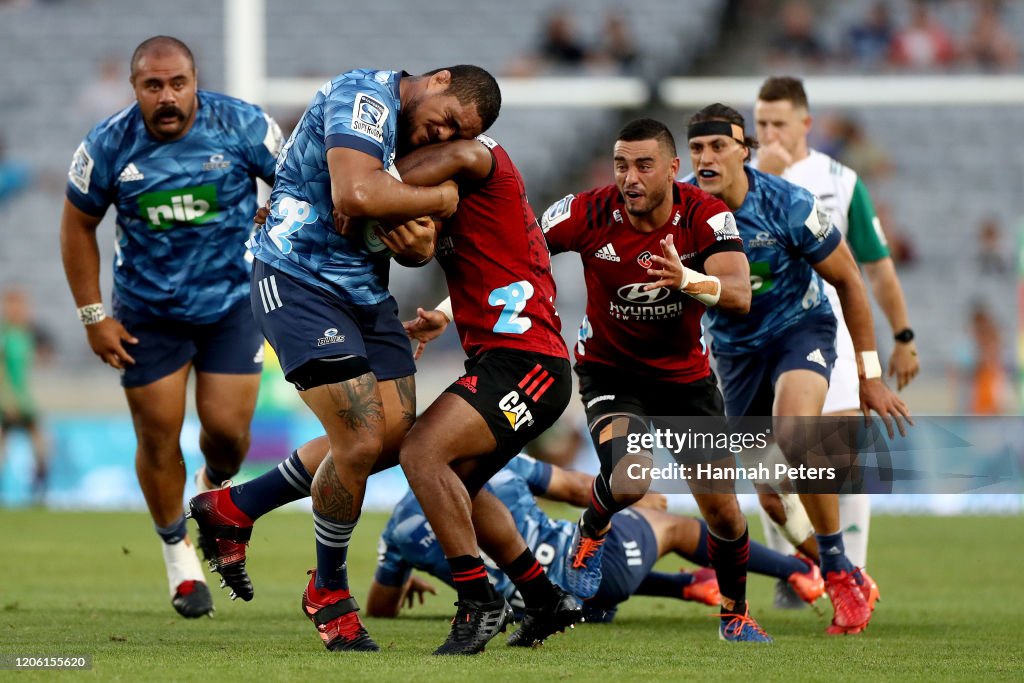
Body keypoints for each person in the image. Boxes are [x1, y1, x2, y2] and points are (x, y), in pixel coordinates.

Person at [189, 64, 507, 653]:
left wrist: (417, 239)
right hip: (297, 279)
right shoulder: (365, 95)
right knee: (359, 441)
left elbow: (405, 242)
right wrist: (439, 197)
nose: (442, 139)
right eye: (447, 123)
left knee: (395, 439)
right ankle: (328, 591)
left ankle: (235, 505)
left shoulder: (405, 142)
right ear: (435, 80)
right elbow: (356, 193)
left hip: (364, 294)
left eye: (456, 138)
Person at [59, 36, 283, 619]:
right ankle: (178, 559)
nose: (166, 96)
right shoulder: (107, 144)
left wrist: (273, 216)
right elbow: (77, 226)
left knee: (229, 437)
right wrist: (93, 317)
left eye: (177, 83)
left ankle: (210, 485)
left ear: (194, 79)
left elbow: (296, 187)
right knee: (158, 436)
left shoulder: (243, 125)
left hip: (232, 304)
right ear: (134, 87)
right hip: (147, 316)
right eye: (153, 85)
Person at [539, 118, 772, 643]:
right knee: (630, 479)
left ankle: (734, 614)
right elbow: (513, 258)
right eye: (622, 165)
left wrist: (688, 279)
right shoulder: (586, 211)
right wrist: (444, 308)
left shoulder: (706, 215)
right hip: (610, 373)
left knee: (725, 512)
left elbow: (740, 294)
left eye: (644, 165)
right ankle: (590, 533)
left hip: (685, 382)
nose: (631, 178)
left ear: (672, 169)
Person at [684, 103, 911, 635]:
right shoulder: (680, 206)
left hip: (798, 333)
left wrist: (870, 374)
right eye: (696, 149)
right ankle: (844, 569)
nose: (707, 158)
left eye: (718, 146)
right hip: (735, 354)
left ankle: (835, 573)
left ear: (745, 150)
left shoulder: (788, 204)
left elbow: (852, 281)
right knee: (771, 494)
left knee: (796, 436)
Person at [753, 76, 919, 606]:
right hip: (753, 340)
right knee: (766, 464)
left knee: (840, 462)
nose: (769, 132)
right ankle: (794, 567)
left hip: (830, 335)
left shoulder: (840, 181)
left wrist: (903, 335)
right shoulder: (739, 179)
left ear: (805, 123)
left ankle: (854, 572)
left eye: (778, 122)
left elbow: (877, 268)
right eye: (760, 123)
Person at [368, 455, 827, 623]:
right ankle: (801, 571)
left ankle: (684, 586)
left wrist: (407, 576)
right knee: (677, 528)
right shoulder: (500, 467)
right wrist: (631, 500)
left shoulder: (399, 530)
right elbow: (572, 487)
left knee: (571, 567)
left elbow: (381, 610)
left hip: (550, 611)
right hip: (592, 574)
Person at [0, 288, 51, 502]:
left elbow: (37, 361)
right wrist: (7, 398)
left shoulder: (27, 334)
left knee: (42, 445)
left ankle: (39, 489)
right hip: (8, 400)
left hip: (25, 398)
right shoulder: (4, 335)